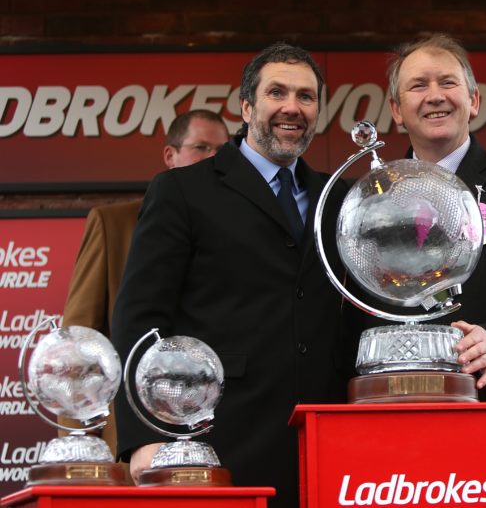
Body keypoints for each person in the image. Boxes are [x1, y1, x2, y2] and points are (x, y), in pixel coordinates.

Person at [110, 43, 348, 508]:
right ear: (246, 106)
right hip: (219, 439)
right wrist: (143, 435)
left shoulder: (339, 197)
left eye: (306, 96)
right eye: (277, 92)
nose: (292, 108)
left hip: (327, 440)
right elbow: (140, 317)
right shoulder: (183, 191)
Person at [347, 33, 486, 508]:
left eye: (448, 82)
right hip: (387, 431)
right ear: (395, 108)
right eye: (418, 86)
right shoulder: (364, 198)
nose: (434, 95)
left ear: (472, 101)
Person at [59, 109, 230, 457]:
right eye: (201, 148)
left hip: (216, 426)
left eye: (221, 152)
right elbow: (79, 344)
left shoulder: (237, 229)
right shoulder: (113, 224)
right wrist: (80, 445)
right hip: (136, 435)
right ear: (171, 156)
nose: (212, 159)